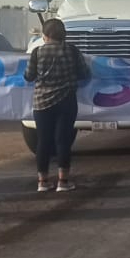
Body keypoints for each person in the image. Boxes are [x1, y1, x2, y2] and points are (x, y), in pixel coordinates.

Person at [24, 18, 90, 192]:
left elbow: (29, 76)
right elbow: (84, 73)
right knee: (63, 141)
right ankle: (63, 182)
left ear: (45, 36)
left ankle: (42, 182)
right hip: (66, 101)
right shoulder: (72, 51)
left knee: (43, 141)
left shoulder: (37, 52)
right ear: (64, 35)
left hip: (42, 103)